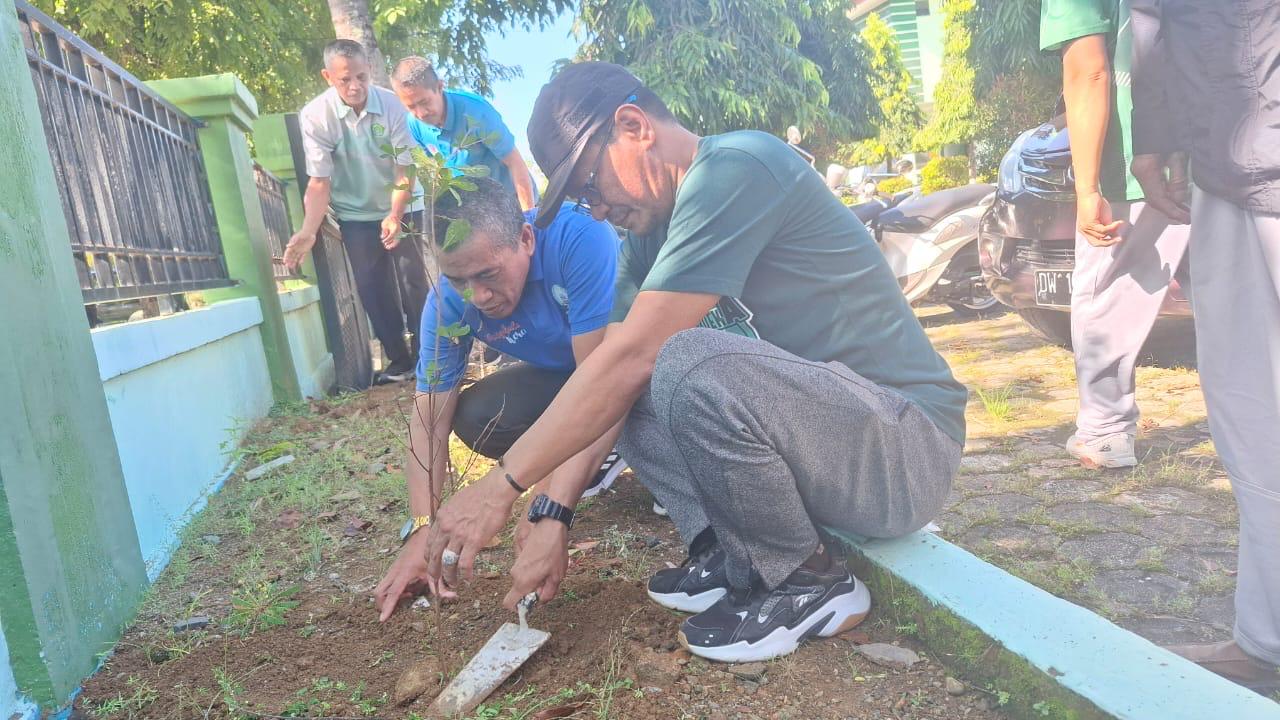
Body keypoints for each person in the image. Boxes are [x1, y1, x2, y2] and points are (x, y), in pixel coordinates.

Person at [413, 62, 967, 663]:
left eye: (590, 187)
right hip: (830, 447)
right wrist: (553, 511)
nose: (594, 211)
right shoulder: (649, 236)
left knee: (679, 359)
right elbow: (609, 375)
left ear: (633, 126)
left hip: (906, 450)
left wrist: (501, 487)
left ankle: (804, 583)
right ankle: (725, 550)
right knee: (635, 386)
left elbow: (637, 355)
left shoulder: (739, 166)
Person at [372, 178, 628, 620]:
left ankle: (616, 447)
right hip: (564, 378)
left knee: (629, 405)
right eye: (459, 280)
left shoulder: (578, 238)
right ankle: (597, 455)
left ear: (526, 239)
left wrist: (548, 508)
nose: (478, 296)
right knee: (478, 416)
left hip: (622, 368)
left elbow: (605, 382)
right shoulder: (447, 304)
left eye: (488, 275)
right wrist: (421, 529)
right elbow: (429, 419)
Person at [1128, 0, 1280, 692]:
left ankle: (1267, 637)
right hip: (1242, 141)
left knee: (1257, 411)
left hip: (1246, 149)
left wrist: (1152, 136)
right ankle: (1264, 633)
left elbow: (1152, 21)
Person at [1041, 0, 1190, 468]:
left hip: (1137, 160)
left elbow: (1089, 69)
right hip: (1232, 143)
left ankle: (1106, 431)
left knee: (1106, 294)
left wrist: (1086, 189)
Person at [284, 40, 428, 385]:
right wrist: (308, 230)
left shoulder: (394, 106)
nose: (355, 86)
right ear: (328, 76)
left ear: (370, 71)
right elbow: (320, 182)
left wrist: (395, 213)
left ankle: (428, 358)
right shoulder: (315, 116)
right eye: (345, 79)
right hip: (355, 214)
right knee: (371, 287)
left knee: (413, 281)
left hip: (404, 204)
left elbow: (404, 170)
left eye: (362, 77)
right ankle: (399, 360)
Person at [390, 56, 538, 211]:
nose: (420, 113)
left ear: (440, 87)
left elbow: (515, 162)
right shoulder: (414, 124)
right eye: (411, 107)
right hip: (479, 209)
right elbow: (440, 167)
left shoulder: (476, 112)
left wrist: (529, 214)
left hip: (514, 198)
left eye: (424, 102)